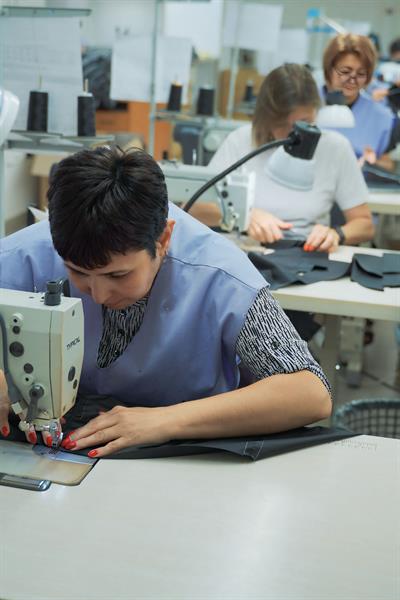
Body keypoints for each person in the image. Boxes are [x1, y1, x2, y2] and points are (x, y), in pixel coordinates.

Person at [0, 146, 331, 458]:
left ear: (163, 240)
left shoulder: (222, 276)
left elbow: (310, 392)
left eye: (118, 275)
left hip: (180, 452)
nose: (98, 295)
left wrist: (166, 420)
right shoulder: (29, 253)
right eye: (78, 272)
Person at [209, 63, 374, 252]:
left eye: (303, 123)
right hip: (247, 250)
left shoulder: (335, 148)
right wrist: (243, 216)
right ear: (265, 117)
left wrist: (336, 234)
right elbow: (196, 209)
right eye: (281, 124)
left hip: (307, 252)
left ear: (315, 113)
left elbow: (365, 225)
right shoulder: (240, 141)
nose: (291, 134)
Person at [322, 34, 395, 171]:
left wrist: (372, 164)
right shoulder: (306, 105)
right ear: (328, 69)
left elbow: (388, 164)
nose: (352, 80)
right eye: (345, 71)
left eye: (361, 73)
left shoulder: (382, 117)